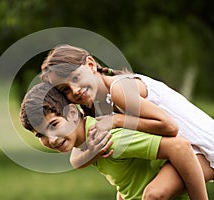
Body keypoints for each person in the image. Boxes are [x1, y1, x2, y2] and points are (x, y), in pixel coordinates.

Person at [40, 44, 214, 199]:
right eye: (65, 90)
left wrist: (116, 120)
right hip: (182, 151)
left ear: (91, 65)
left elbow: (169, 127)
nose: (75, 90)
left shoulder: (119, 90)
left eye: (76, 78)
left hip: (204, 148)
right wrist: (92, 151)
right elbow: (76, 158)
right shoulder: (96, 106)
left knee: (154, 194)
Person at [19, 82, 203, 200]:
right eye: (40, 135)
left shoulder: (107, 138)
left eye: (54, 125)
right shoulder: (89, 145)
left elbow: (179, 146)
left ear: (73, 113)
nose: (51, 139)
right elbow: (128, 177)